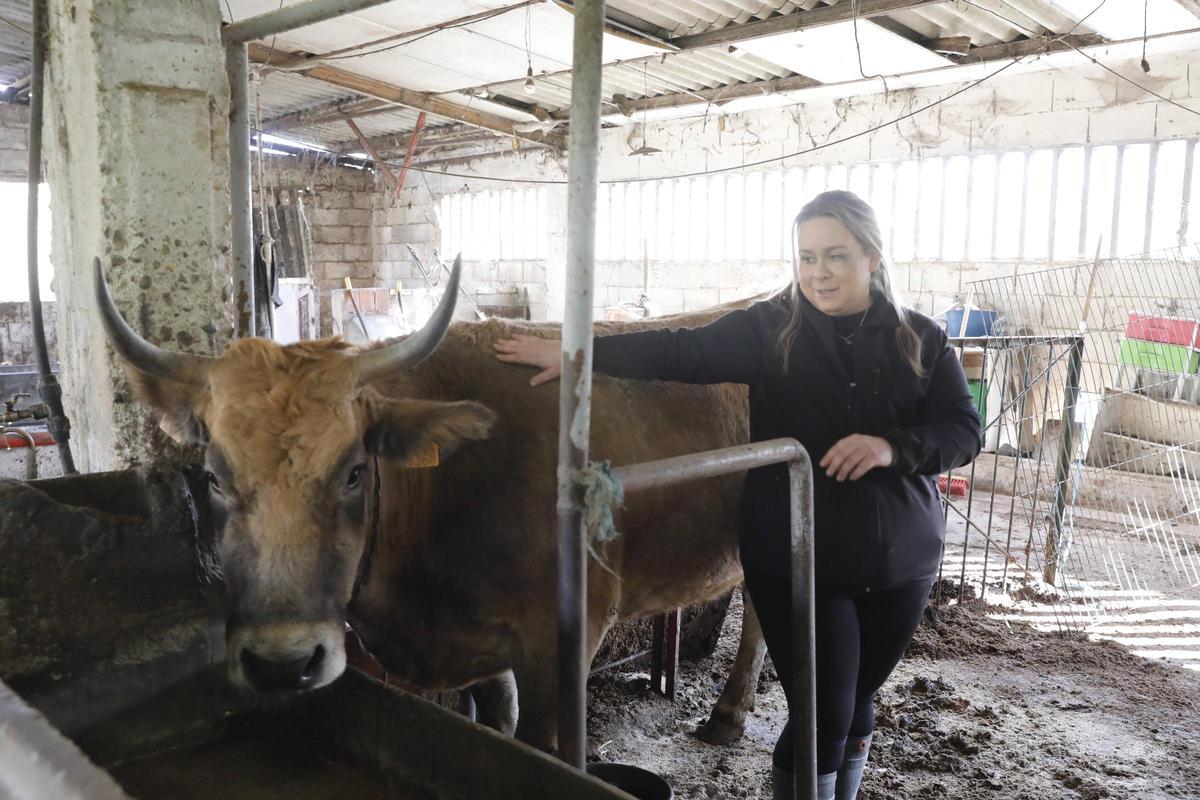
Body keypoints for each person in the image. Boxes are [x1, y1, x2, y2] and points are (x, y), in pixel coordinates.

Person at [493, 190, 982, 800]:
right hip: (798, 558)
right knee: (822, 713)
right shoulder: (772, 329)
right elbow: (678, 350)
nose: (817, 272)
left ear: (873, 257)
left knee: (857, 704)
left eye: (835, 255)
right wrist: (579, 354)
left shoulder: (922, 339)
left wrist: (892, 447)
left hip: (904, 563)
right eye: (805, 257)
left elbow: (964, 431)